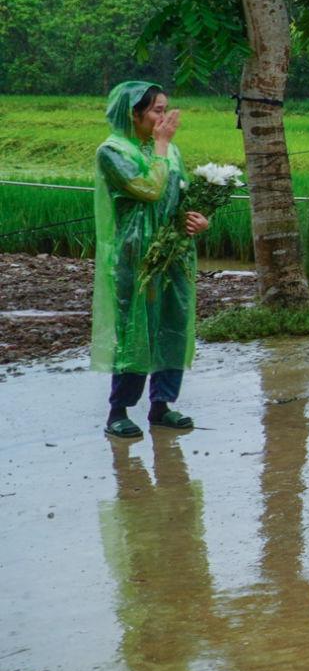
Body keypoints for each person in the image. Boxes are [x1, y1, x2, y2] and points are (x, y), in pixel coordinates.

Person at [93, 82, 207, 439]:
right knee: (135, 326)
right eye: (157, 110)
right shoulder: (112, 151)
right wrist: (161, 144)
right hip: (134, 254)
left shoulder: (171, 153)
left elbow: (182, 195)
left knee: (172, 322)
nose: (164, 116)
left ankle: (162, 405)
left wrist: (202, 220)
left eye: (165, 108)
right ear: (134, 113)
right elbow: (149, 188)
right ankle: (119, 410)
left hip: (174, 251)